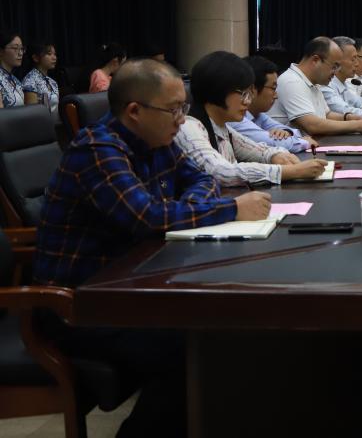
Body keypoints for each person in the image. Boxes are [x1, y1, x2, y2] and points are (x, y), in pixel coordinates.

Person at [33, 58, 271, 438]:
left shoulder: (159, 139)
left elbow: (202, 180)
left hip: (133, 284)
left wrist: (187, 207)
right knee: (195, 346)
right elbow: (145, 217)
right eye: (174, 109)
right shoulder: (98, 149)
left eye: (183, 107)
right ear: (134, 111)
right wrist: (230, 209)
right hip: (79, 304)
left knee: (222, 327)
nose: (182, 118)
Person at [175, 51, 326, 187]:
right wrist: (291, 171)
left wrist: (276, 155)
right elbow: (221, 172)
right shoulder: (189, 127)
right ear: (218, 89)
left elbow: (257, 149)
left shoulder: (222, 127)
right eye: (243, 94)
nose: (248, 101)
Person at [268, 36, 362, 135]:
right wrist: (357, 125)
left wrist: (349, 117)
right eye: (334, 66)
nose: (336, 71)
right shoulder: (292, 81)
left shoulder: (313, 81)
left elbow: (327, 114)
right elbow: (312, 125)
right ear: (315, 60)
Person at [228, 55, 319, 154]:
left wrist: (286, 132)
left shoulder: (258, 115)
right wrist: (305, 142)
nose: (276, 96)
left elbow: (295, 132)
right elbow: (270, 142)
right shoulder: (233, 118)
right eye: (273, 88)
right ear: (253, 89)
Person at [322, 36, 362, 119]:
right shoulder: (326, 84)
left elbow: (359, 103)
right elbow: (345, 110)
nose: (357, 64)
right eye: (353, 59)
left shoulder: (342, 84)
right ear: (337, 60)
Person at [22, 40, 60, 111]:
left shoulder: (52, 82)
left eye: (54, 54)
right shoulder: (30, 81)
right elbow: (32, 112)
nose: (54, 57)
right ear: (36, 58)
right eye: (49, 54)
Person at [0, 29, 25, 108]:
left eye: (21, 49)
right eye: (15, 48)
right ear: (1, 51)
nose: (20, 53)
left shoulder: (15, 80)